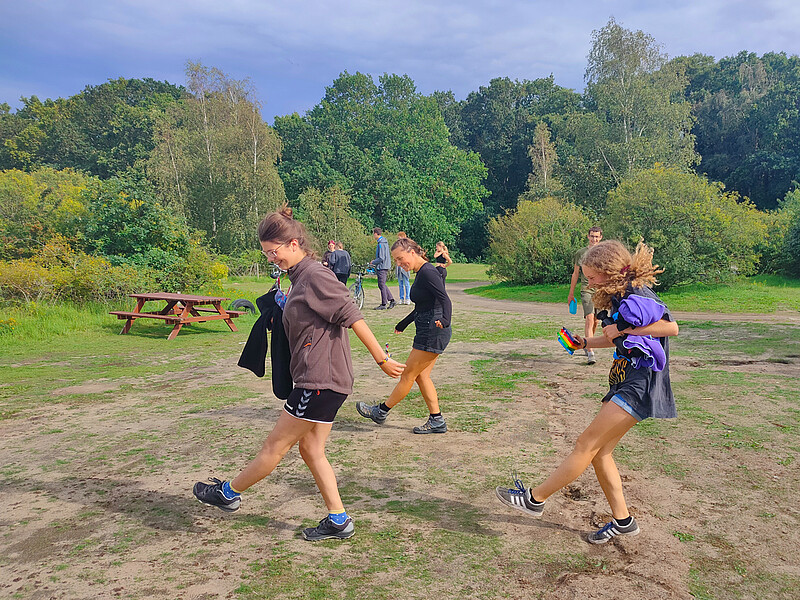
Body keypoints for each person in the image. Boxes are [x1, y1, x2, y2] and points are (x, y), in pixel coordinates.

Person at [193, 207, 405, 541]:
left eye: (274, 252)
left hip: (318, 382)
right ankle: (339, 520)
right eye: (266, 254)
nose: (271, 259)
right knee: (311, 450)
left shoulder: (316, 276)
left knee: (273, 448)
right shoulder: (300, 278)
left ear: (294, 243)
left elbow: (351, 314)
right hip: (323, 381)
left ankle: (228, 493)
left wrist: (382, 359)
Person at [495, 240, 679, 544]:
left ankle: (534, 500)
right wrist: (585, 344)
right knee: (600, 453)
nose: (589, 283)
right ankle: (624, 522)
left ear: (609, 272)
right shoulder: (620, 297)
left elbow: (671, 329)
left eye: (592, 277)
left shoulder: (638, 294)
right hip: (624, 379)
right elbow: (613, 337)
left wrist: (623, 331)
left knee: (586, 444)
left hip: (641, 383)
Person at [356, 237, 452, 434]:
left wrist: (446, 319)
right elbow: (422, 306)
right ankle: (437, 420)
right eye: (396, 261)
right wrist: (404, 323)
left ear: (412, 252)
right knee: (421, 376)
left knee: (408, 374)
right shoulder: (421, 272)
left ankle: (380, 411)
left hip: (433, 330)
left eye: (400, 259)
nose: (399, 264)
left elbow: (444, 298)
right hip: (428, 328)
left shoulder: (427, 272)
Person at [568, 227, 604, 365]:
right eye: (592, 236)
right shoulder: (581, 253)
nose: (594, 239)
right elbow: (575, 273)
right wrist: (571, 294)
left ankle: (587, 343)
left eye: (597, 236)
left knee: (596, 321)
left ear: (600, 237)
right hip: (586, 289)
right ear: (588, 236)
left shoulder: (604, 252)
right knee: (589, 319)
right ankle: (590, 352)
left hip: (600, 290)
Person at [370, 227, 396, 310]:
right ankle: (391, 300)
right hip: (384, 266)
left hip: (382, 266)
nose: (373, 235)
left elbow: (381, 257)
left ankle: (384, 304)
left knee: (381, 284)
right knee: (382, 284)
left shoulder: (381, 243)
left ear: (376, 234)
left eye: (373, 233)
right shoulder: (383, 242)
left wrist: (373, 262)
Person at [395, 231, 411, 305]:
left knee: (406, 282)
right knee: (400, 283)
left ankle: (408, 298)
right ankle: (401, 298)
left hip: (405, 265)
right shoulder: (397, 246)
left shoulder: (407, 246)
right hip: (399, 266)